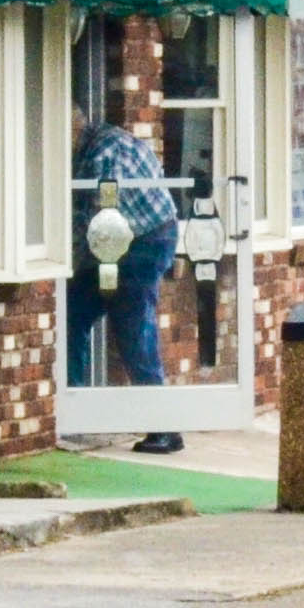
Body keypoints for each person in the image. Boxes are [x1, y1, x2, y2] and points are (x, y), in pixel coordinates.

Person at [74, 110, 184, 456]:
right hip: (117, 241)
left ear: (73, 127)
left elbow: (102, 217)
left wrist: (69, 255)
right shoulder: (89, 149)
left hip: (144, 240)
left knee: (134, 328)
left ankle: (164, 428)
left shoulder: (106, 153)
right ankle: (74, 412)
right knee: (71, 316)